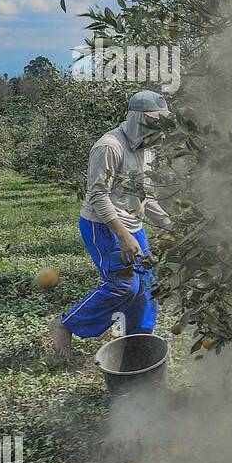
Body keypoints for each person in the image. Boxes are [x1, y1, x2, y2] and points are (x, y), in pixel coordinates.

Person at [49, 90, 174, 356]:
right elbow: (97, 196)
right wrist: (122, 236)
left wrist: (170, 224)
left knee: (145, 288)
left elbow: (144, 196)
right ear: (138, 119)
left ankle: (139, 342)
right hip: (104, 226)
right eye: (153, 121)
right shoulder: (109, 147)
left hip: (133, 226)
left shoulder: (146, 151)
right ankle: (65, 325)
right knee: (124, 285)